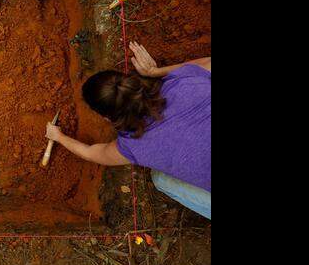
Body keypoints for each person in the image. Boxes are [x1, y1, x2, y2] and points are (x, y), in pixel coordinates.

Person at [46, 43, 211, 219]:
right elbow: (208, 61)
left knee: (161, 180)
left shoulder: (134, 145)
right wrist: (155, 72)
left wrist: (59, 136)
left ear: (108, 118)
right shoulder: (183, 82)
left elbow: (92, 152)